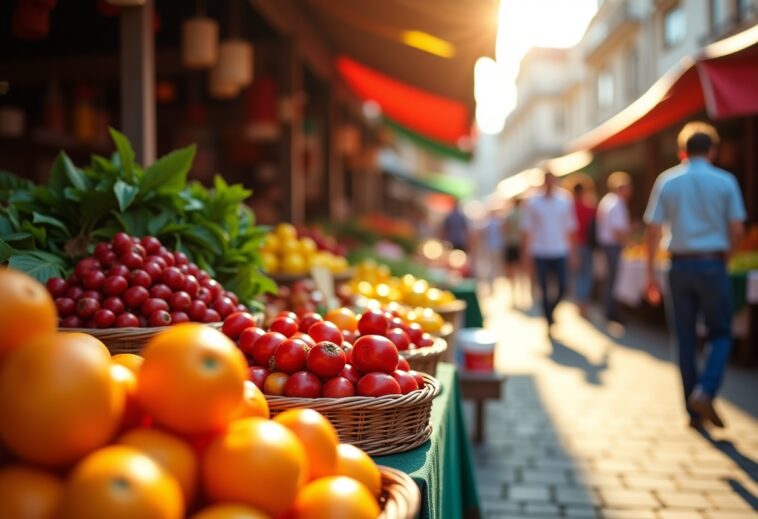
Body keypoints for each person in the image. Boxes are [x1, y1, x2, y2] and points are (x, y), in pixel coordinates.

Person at [643, 122, 746, 429]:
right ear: (712, 151)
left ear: (682, 151)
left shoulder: (668, 181)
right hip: (712, 264)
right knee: (721, 333)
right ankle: (706, 390)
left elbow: (653, 230)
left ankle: (694, 410)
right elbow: (738, 229)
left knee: (685, 338)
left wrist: (649, 273)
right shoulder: (725, 181)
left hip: (678, 265)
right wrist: (725, 258)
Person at [520, 171, 578, 327]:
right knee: (544, 288)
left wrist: (573, 253)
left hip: (560, 250)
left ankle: (550, 312)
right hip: (540, 251)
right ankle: (548, 318)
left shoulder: (565, 200)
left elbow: (570, 227)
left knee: (563, 286)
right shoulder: (533, 201)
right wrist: (526, 254)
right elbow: (527, 229)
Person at [596, 171, 633, 323]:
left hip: (608, 245)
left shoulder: (608, 200)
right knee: (615, 280)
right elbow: (617, 230)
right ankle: (613, 312)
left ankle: (609, 310)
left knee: (611, 279)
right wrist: (628, 243)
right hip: (613, 246)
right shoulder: (616, 203)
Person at [572, 180, 597, 318]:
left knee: (578, 276)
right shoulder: (590, 207)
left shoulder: (569, 207)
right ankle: (584, 305)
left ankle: (580, 305)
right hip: (586, 245)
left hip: (575, 246)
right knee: (586, 275)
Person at [503, 197, 525, 305]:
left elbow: (504, 230)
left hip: (511, 244)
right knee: (521, 270)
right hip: (520, 245)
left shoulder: (509, 214)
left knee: (512, 271)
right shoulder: (523, 215)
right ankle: (522, 293)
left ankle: (514, 294)